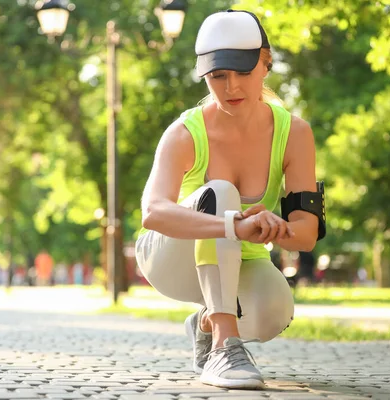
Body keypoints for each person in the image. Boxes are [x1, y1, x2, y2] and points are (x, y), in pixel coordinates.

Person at [135, 9, 325, 390]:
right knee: (220, 192)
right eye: (218, 76)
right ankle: (224, 346)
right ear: (204, 74)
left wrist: (273, 225)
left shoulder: (295, 134)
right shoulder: (184, 133)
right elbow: (153, 213)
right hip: (170, 256)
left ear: (266, 65)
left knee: (276, 311)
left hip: (240, 261)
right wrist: (232, 224)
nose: (231, 87)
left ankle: (206, 321)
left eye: (243, 72)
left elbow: (306, 235)